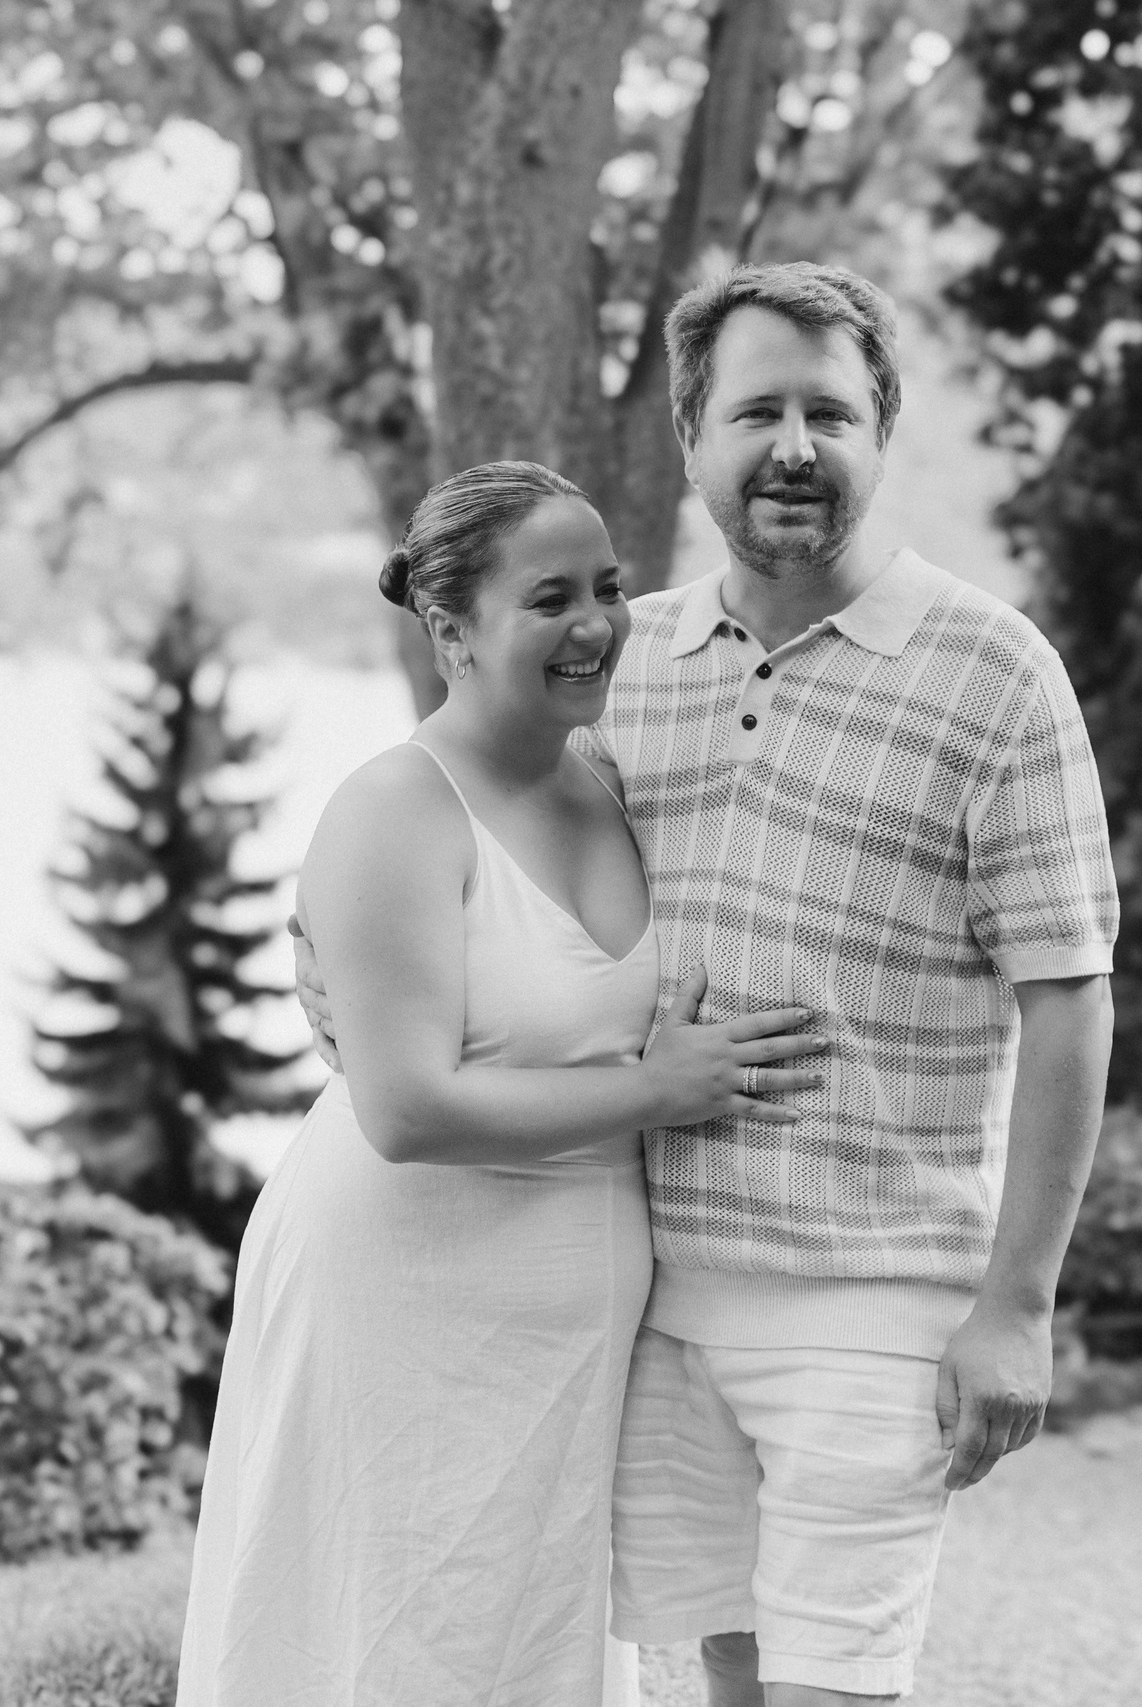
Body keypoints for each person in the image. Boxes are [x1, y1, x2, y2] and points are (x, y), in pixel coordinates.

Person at [300, 262, 1118, 1705]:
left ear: (882, 429)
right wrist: (331, 963)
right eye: (756, 412)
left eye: (829, 411)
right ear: (693, 435)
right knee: (726, 1684)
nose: (792, 445)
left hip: (874, 1298)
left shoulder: (994, 668)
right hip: (665, 1292)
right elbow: (490, 860)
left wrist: (1019, 1302)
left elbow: (1070, 992)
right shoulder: (637, 659)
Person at [175, 459, 829, 1707]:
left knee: (526, 1638)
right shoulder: (393, 809)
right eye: (549, 599)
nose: (595, 625)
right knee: (386, 1631)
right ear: (449, 629)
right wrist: (659, 1090)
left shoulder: (616, 780)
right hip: (405, 1291)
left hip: (571, 1323)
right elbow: (407, 1107)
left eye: (608, 588)